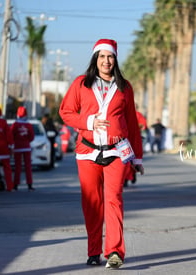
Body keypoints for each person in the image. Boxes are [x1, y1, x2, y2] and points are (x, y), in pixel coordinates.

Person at [59, 38, 144, 269]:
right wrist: (88, 121)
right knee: (92, 203)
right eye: (102, 56)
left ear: (115, 59)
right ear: (95, 59)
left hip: (117, 151)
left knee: (114, 199)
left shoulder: (124, 86)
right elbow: (65, 112)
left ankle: (114, 252)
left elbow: (132, 124)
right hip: (87, 152)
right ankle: (94, 251)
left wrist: (137, 157)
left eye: (110, 56)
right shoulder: (81, 83)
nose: (106, 61)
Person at [11, 106, 35, 191]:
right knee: (28, 166)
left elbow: (11, 136)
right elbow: (32, 137)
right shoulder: (29, 125)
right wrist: (27, 141)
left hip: (17, 147)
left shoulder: (15, 125)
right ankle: (29, 184)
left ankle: (16, 185)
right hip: (26, 147)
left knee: (18, 166)